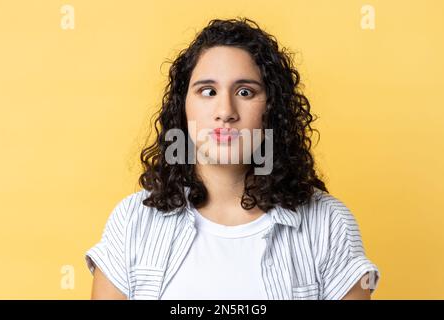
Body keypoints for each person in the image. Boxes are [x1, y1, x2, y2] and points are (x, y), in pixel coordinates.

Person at [85, 17, 380, 300]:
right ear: (183, 107)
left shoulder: (328, 224)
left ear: (272, 109)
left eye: (245, 91)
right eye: (208, 91)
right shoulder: (132, 221)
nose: (225, 111)